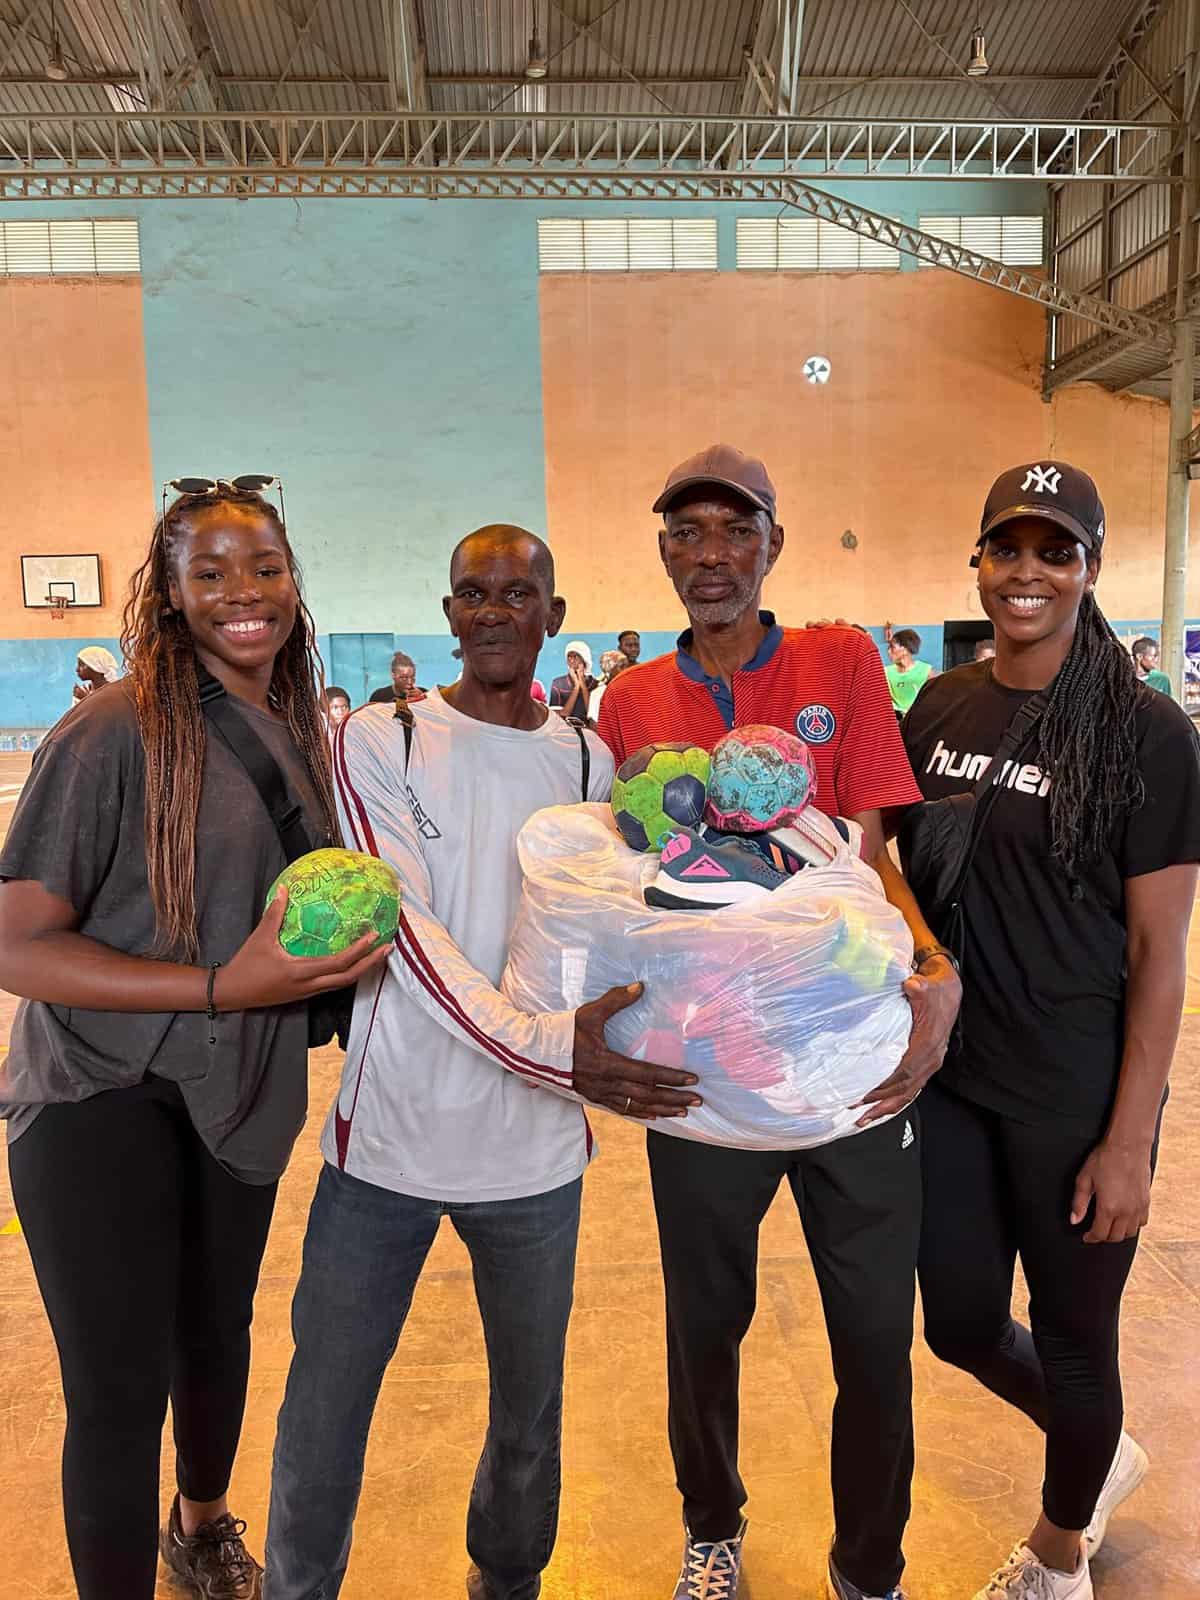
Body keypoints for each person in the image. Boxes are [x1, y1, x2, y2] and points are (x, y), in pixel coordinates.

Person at [264, 524, 700, 1600]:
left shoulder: (594, 763)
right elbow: (403, 934)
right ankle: (297, 1586)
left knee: (527, 1420)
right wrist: (560, 1051)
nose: (494, 610)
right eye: (473, 593)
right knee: (324, 1411)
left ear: (555, 612)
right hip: (391, 1145)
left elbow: (620, 935)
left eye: (519, 592)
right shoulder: (382, 739)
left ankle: (508, 1580)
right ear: (449, 614)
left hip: (535, 1162)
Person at [0, 481, 389, 1600]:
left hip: (244, 1091)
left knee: (215, 1334)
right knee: (117, 1388)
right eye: (209, 573)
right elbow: (20, 944)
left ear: (294, 578)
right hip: (96, 1092)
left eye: (262, 565)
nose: (242, 594)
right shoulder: (111, 727)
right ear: (170, 597)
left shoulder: (310, 736)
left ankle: (201, 1522)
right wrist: (225, 983)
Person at [596, 443, 961, 1600]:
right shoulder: (631, 700)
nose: (711, 557)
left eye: (734, 532)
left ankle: (870, 1567)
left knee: (871, 1336)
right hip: (705, 1068)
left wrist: (933, 966)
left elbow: (872, 849)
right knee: (705, 1323)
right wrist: (603, 1025)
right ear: (663, 556)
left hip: (846, 1056)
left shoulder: (839, 660)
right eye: (686, 536)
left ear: (773, 546)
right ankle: (713, 1530)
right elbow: (626, 888)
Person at [902, 462, 1200, 1600]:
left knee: (1078, 1339)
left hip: (1076, 1093)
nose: (1027, 571)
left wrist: (1130, 1140)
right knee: (963, 1321)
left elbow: (1160, 954)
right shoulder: (942, 706)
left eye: (1055, 550)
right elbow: (893, 869)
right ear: (977, 561)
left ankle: (1060, 1552)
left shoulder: (1147, 733)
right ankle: (1098, 1448)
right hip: (956, 1079)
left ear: (1088, 568)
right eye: (1006, 548)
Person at [884, 626, 937, 716]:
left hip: (919, 719)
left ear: (905, 650)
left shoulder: (926, 671)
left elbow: (935, 700)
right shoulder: (886, 672)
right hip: (895, 721)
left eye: (892, 647)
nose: (888, 651)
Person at [548, 639, 597, 720]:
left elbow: (592, 714)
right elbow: (563, 714)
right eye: (569, 656)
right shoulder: (558, 683)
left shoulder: (596, 684)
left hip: (589, 730)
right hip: (565, 731)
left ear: (584, 659)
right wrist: (576, 687)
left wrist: (583, 686)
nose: (571, 660)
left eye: (575, 656)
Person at [588, 647, 629, 723]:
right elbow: (593, 723)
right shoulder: (598, 693)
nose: (626, 670)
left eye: (627, 666)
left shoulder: (629, 690)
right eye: (622, 666)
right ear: (609, 669)